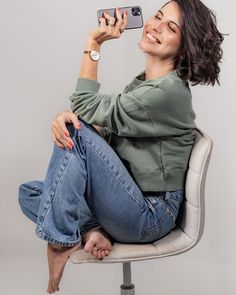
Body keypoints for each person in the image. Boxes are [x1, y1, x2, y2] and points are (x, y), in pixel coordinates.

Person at [18, 0, 224, 293]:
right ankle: (93, 230)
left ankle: (61, 240)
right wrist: (72, 120)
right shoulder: (148, 84)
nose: (155, 26)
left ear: (185, 45)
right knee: (30, 193)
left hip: (148, 215)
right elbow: (101, 125)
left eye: (171, 27)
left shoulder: (165, 93)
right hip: (128, 200)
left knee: (74, 134)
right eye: (158, 17)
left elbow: (85, 106)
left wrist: (94, 43)